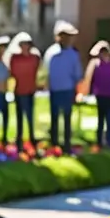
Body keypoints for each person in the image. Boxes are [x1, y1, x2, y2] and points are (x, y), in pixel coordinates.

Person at [44, 20, 83, 152]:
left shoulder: (73, 54)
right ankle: (54, 144)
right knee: (54, 118)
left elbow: (77, 74)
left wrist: (77, 91)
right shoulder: (51, 53)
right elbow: (46, 73)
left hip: (67, 90)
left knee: (67, 119)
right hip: (55, 90)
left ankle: (66, 145)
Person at [85, 41, 110, 148]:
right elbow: (89, 79)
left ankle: (109, 141)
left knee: (109, 121)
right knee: (102, 121)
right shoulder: (96, 65)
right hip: (102, 96)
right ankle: (101, 142)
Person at [8, 32, 40, 146]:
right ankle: (19, 138)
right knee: (20, 116)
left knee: (30, 115)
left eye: (27, 44)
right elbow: (12, 73)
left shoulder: (34, 58)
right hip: (19, 91)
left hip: (30, 90)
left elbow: (36, 71)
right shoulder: (15, 59)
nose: (25, 47)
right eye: (23, 44)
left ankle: (31, 137)